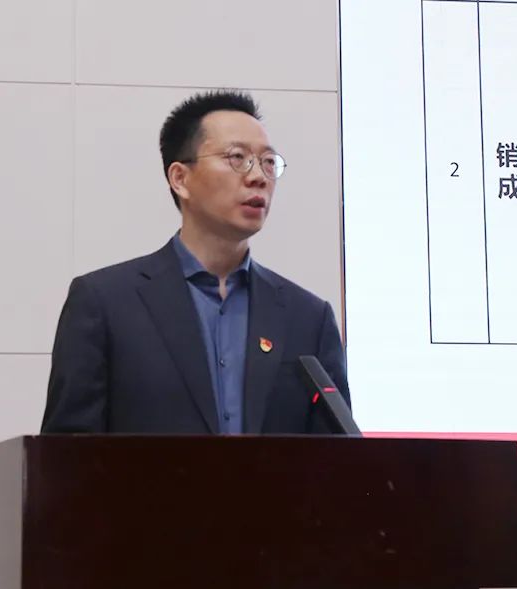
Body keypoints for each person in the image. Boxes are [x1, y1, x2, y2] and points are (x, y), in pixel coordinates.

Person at [40, 90, 350, 434]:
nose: (258, 177)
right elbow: (67, 452)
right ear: (180, 178)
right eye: (237, 158)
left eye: (267, 162)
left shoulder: (308, 318)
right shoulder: (105, 304)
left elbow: (335, 457)